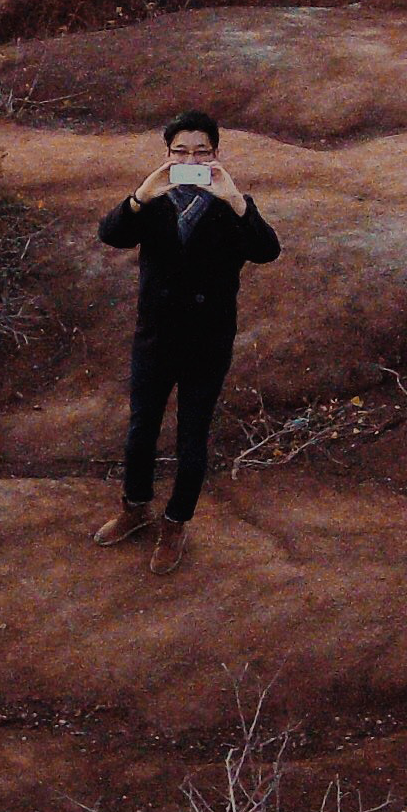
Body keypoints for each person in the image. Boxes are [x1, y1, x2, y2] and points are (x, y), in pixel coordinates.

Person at [94, 110, 279, 573]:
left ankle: (175, 522)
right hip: (155, 338)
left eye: (201, 151)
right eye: (181, 152)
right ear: (167, 155)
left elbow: (267, 250)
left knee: (192, 438)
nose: (191, 159)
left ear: (216, 154)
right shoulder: (153, 203)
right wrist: (140, 195)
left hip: (206, 343)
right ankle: (135, 508)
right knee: (141, 431)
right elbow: (110, 234)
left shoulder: (231, 206)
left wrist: (236, 200)